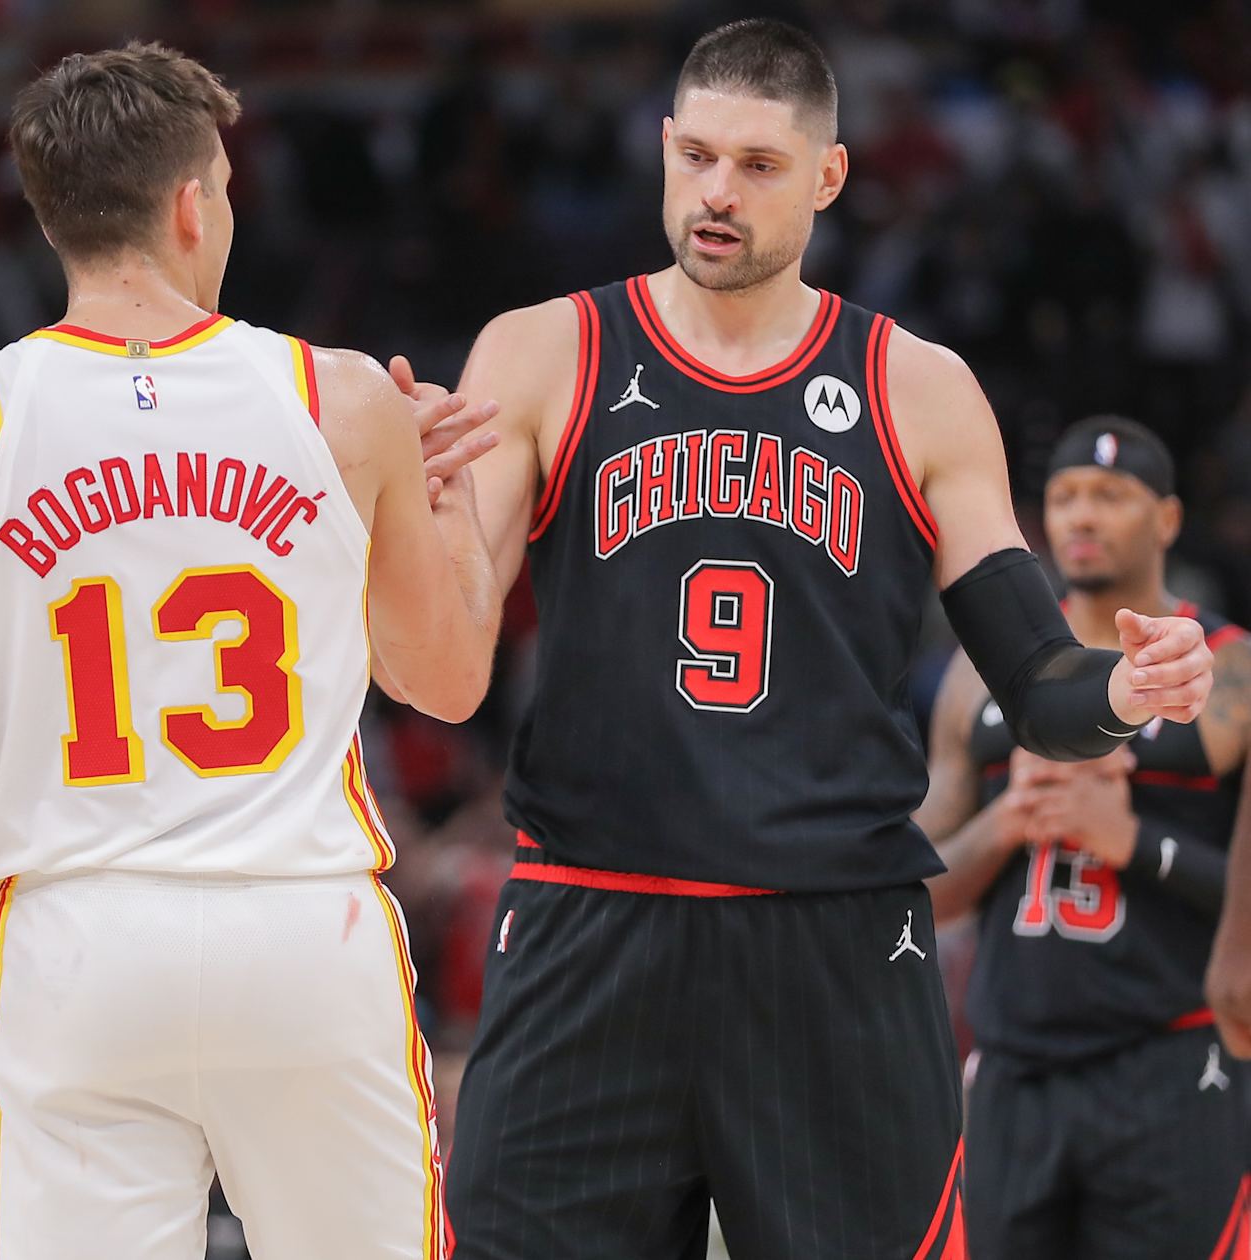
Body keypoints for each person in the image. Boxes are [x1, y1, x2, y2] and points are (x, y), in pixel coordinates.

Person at [438, 19, 1214, 1260]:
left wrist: (1125, 685)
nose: (715, 195)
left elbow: (1042, 684)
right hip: (593, 915)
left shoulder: (917, 383)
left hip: (833, 937)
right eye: (695, 157)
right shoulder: (543, 350)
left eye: (756, 165)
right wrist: (397, 520)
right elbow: (442, 668)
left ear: (829, 176)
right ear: (662, 149)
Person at [0, 42, 502, 1260]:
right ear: (189, 201)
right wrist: (448, 504)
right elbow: (447, 681)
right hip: (304, 927)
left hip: (81, 941)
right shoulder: (347, 398)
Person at [919, 416, 1251, 1259]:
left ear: (1168, 520)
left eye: (1111, 495)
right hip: (1012, 1072)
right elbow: (917, 890)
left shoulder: (1233, 667)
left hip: (1167, 1063)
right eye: (1065, 497)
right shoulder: (977, 672)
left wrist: (1133, 840)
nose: (1082, 517)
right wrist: (1006, 823)